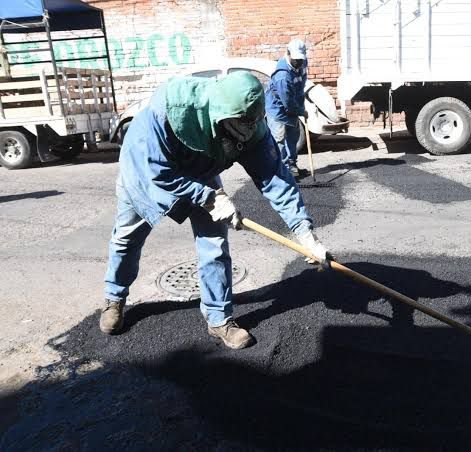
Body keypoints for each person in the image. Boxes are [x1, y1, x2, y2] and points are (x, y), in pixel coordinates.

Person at [100, 71, 331, 350]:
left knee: (215, 244)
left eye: (250, 127)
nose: (244, 135)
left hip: (201, 171)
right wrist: (208, 197)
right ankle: (114, 297)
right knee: (128, 236)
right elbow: (156, 174)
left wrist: (305, 233)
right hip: (146, 172)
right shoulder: (169, 112)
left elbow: (276, 178)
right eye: (237, 127)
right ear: (219, 115)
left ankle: (219, 318)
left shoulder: (251, 128)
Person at [265, 38, 308, 177]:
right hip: (278, 110)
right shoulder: (282, 75)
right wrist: (301, 111)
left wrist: (301, 104)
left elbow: (301, 86)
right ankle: (282, 172)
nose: (299, 62)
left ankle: (292, 164)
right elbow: (287, 103)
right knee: (280, 141)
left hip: (291, 106)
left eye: (301, 59)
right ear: (288, 54)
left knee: (293, 137)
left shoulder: (302, 64)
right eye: (296, 60)